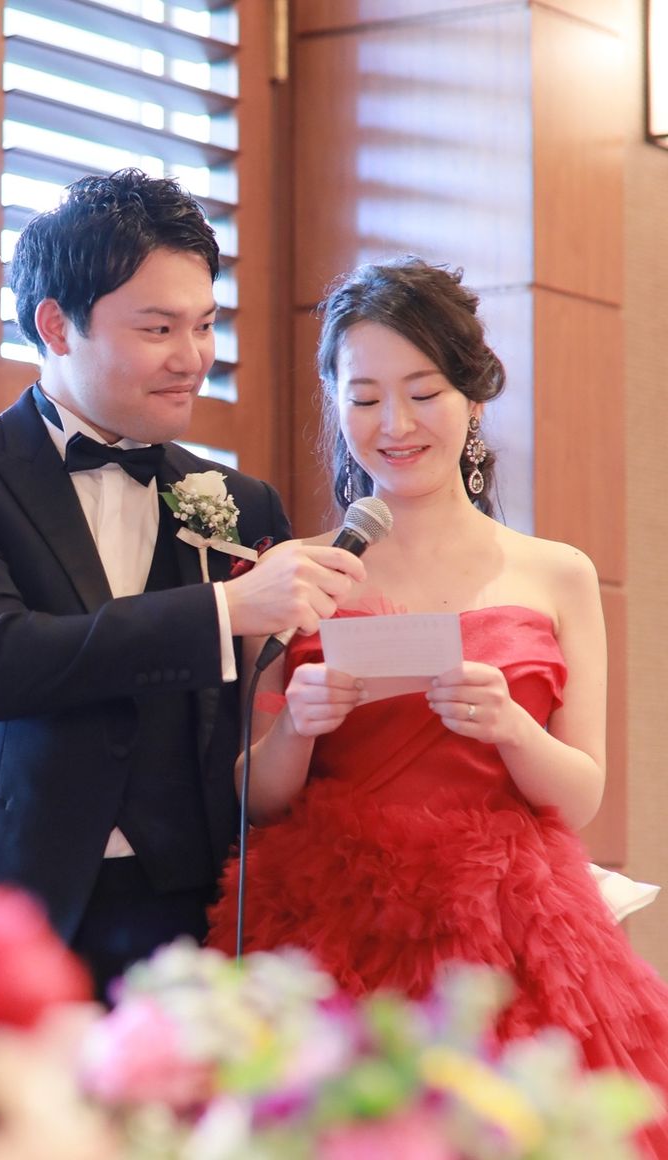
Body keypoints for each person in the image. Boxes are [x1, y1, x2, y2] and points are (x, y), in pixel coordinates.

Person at [206, 255, 668, 1152]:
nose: (396, 424)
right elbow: (255, 797)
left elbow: (581, 794)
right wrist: (298, 725)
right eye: (365, 397)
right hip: (333, 921)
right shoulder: (295, 572)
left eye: (423, 393)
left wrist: (510, 728)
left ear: (474, 398)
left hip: (510, 927)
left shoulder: (558, 573)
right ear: (336, 404)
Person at [0, 168, 365, 999]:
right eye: (158, 328)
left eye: (204, 326)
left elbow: (264, 719)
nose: (192, 359)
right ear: (56, 326)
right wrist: (224, 609)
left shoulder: (242, 504)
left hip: (186, 916)